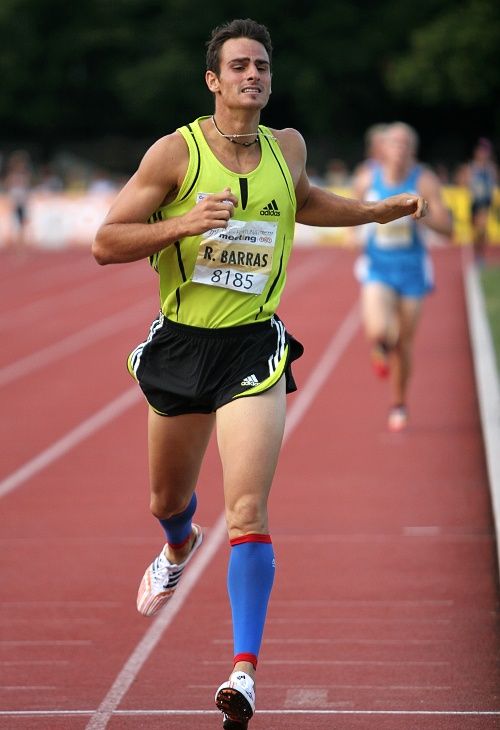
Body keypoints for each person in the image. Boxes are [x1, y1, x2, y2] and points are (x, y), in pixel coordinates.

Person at [92, 20, 429, 728]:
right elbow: (107, 241)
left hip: (254, 349)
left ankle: (244, 672)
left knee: (247, 509)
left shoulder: (287, 148)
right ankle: (180, 544)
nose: (254, 74)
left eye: (262, 65)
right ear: (213, 81)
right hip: (183, 345)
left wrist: (374, 212)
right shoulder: (175, 154)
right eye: (239, 65)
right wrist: (180, 226)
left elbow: (304, 201)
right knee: (165, 498)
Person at [350, 122, 452, 432]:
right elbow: (352, 211)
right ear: (383, 148)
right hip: (378, 268)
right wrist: (355, 231)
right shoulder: (367, 177)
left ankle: (399, 402)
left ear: (413, 150)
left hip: (412, 271)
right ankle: (382, 343)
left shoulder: (424, 180)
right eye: (394, 143)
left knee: (405, 344)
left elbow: (448, 230)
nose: (400, 149)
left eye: (406, 144)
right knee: (378, 329)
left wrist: (424, 216)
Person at [467, 137, 498, 266]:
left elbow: (493, 184)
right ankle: (477, 253)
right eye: (481, 151)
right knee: (476, 231)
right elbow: (466, 183)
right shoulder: (472, 167)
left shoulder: (491, 169)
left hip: (485, 203)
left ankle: (480, 255)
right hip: (475, 203)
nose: (484, 154)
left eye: (486, 152)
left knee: (482, 228)